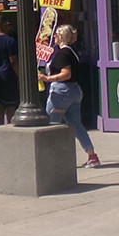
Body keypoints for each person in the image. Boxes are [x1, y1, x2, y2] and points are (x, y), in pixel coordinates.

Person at [38, 24, 100, 168]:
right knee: (76, 125)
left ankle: (50, 160)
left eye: (56, 35)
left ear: (61, 37)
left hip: (61, 92)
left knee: (50, 125)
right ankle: (92, 156)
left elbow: (66, 74)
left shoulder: (62, 54)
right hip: (74, 92)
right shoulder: (72, 52)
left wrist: (46, 78)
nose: (54, 37)